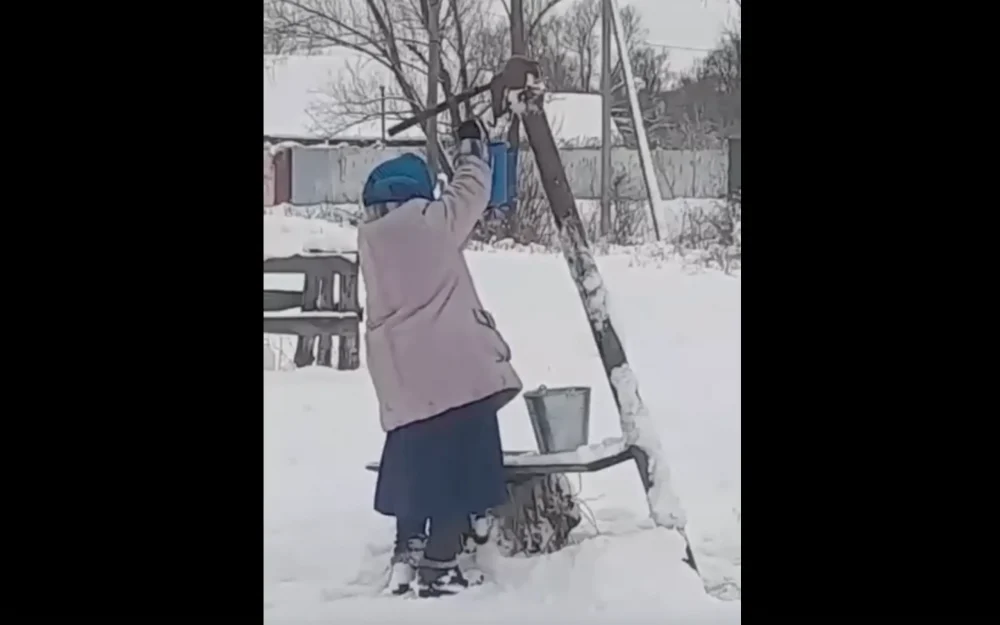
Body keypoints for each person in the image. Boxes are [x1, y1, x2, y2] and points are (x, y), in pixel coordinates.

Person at [358, 118, 523, 598]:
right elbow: (472, 190)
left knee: (415, 454)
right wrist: (473, 146)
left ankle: (407, 552)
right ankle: (441, 563)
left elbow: (439, 240)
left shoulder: (371, 238)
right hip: (450, 372)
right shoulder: (431, 224)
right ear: (417, 196)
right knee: (460, 458)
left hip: (400, 376)